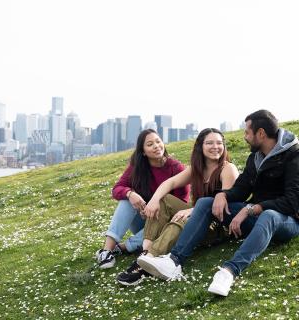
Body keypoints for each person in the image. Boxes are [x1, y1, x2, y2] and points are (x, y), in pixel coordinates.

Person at [137, 109, 299, 297]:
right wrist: (223, 195)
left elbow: (292, 202)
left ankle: (229, 272)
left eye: (247, 132)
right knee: (206, 202)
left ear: (260, 133)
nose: (244, 137)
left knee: (269, 216)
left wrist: (252, 209)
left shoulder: (294, 157)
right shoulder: (255, 158)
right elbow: (241, 189)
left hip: (287, 220)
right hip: (256, 216)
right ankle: (174, 262)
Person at [116, 128, 239, 285]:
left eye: (219, 143)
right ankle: (145, 254)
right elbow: (170, 182)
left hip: (218, 226)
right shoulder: (197, 168)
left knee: (183, 217)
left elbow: (222, 205)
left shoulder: (228, 168)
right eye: (209, 143)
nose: (215, 147)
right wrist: (154, 200)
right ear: (200, 146)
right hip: (199, 218)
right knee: (164, 199)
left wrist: (193, 210)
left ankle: (146, 263)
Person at [96, 129, 190, 269]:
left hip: (163, 222)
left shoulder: (176, 168)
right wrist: (130, 194)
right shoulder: (137, 167)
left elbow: (181, 201)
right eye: (150, 144)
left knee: (165, 228)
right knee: (126, 200)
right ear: (143, 151)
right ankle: (107, 251)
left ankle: (122, 248)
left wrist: (155, 209)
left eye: (158, 141)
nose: (156, 146)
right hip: (143, 219)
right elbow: (117, 189)